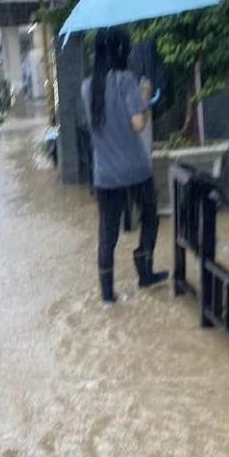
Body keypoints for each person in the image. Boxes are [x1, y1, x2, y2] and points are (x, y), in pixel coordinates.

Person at [81, 27, 168, 303]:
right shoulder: (125, 80)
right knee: (150, 218)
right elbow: (138, 124)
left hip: (105, 174)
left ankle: (107, 295)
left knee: (107, 233)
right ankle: (144, 270)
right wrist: (145, 97)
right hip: (135, 170)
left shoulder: (87, 87)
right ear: (121, 52)